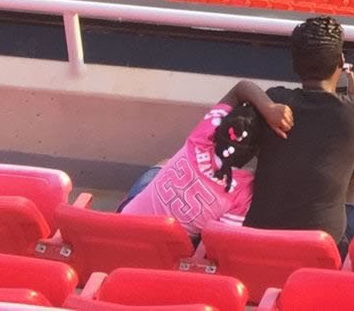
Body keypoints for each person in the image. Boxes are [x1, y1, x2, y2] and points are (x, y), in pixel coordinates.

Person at [243, 17, 354, 254]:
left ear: (295, 65)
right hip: (323, 249)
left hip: (259, 244)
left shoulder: (273, 99)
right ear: (341, 62)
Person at [122, 83, 292, 237]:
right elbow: (216, 240)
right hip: (162, 251)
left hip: (121, 225)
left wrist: (269, 108)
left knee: (164, 162)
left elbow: (241, 89)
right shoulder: (244, 192)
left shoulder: (200, 139)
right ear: (255, 152)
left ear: (219, 128)